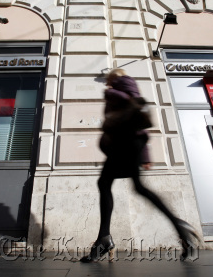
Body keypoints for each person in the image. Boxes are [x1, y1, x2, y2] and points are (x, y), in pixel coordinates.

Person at [80, 68, 201, 263]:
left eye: (109, 81)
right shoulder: (125, 88)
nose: (107, 84)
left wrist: (110, 94)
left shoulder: (121, 87)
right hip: (127, 144)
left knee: (128, 186)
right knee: (112, 184)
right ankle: (105, 238)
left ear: (113, 78)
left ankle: (179, 227)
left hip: (126, 144)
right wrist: (144, 153)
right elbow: (136, 119)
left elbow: (133, 111)